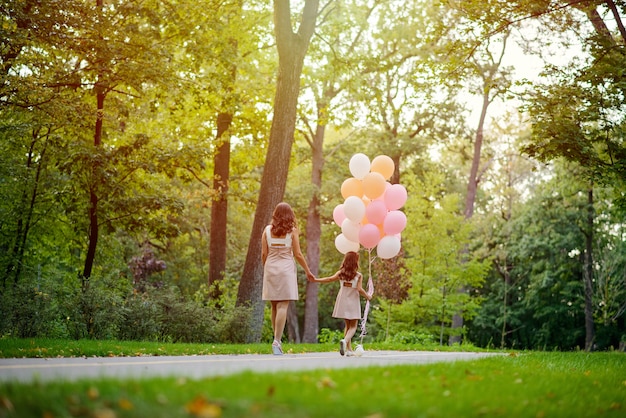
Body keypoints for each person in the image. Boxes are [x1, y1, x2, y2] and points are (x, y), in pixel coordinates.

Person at [262, 202, 315, 355]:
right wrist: (307, 270)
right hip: (285, 270)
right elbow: (297, 254)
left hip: (270, 268)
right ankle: (277, 341)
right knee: (283, 305)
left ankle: (276, 340)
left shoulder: (266, 231)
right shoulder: (292, 231)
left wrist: (267, 268)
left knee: (274, 305)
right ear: (289, 215)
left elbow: (264, 254)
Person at [313, 251, 372, 356]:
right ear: (355, 262)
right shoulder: (358, 275)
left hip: (343, 300)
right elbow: (359, 289)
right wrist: (367, 296)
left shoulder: (341, 273)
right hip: (353, 301)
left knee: (347, 325)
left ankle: (348, 350)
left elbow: (329, 279)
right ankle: (345, 341)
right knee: (353, 326)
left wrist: (316, 280)